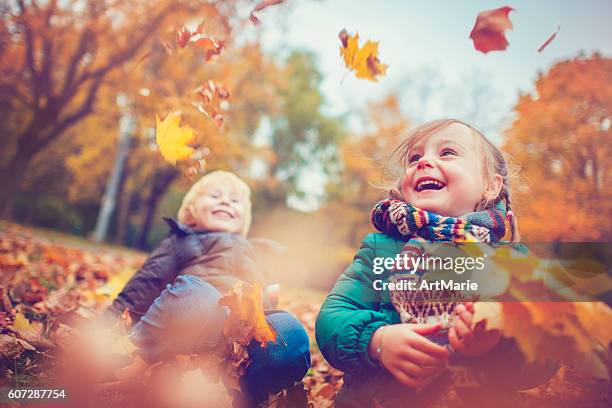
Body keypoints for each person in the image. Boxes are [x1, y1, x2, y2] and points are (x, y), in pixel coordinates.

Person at [315, 119, 558, 407]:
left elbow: (546, 351)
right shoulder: (379, 249)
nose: (424, 161)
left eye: (447, 153)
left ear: (491, 186)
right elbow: (333, 317)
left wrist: (497, 340)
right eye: (415, 158)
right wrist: (377, 341)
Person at [104, 170, 310, 405]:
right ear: (191, 209)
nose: (225, 201)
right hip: (193, 331)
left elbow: (265, 304)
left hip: (241, 343)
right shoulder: (183, 240)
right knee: (196, 295)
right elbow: (145, 283)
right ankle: (128, 358)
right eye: (214, 196)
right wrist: (106, 325)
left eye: (235, 201)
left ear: (244, 219)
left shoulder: (258, 252)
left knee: (290, 334)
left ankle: (246, 395)